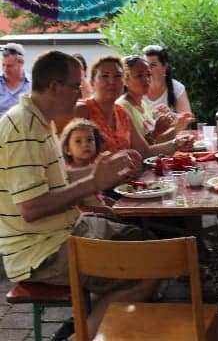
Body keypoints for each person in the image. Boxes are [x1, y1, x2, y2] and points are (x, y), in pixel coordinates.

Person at [0, 51, 155, 341]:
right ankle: (83, 334)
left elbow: (57, 181)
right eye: (76, 86)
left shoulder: (39, 120)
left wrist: (101, 170)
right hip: (41, 254)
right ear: (55, 87)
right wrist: (93, 182)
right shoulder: (24, 129)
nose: (81, 92)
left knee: (142, 239)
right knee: (150, 268)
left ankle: (85, 322)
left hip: (66, 232)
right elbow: (32, 208)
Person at [74, 55, 193, 157]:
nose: (112, 81)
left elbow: (144, 151)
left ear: (123, 81)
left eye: (118, 76)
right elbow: (70, 161)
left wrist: (177, 144)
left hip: (129, 177)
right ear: (92, 82)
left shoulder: (121, 112)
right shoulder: (82, 110)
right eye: (105, 76)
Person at [117, 55, 194, 146]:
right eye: (139, 75)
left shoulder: (143, 104)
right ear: (125, 80)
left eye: (148, 74)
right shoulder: (122, 108)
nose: (146, 79)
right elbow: (136, 148)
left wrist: (174, 125)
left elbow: (157, 141)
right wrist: (173, 129)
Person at [142, 44, 191, 113]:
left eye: (153, 65)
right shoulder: (137, 87)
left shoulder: (177, 88)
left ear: (165, 66)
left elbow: (186, 117)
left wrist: (170, 115)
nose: (148, 69)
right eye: (145, 65)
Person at [0, 42, 31, 117]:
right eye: (3, 65)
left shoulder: (33, 84)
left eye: (9, 66)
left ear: (21, 63)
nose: (5, 69)